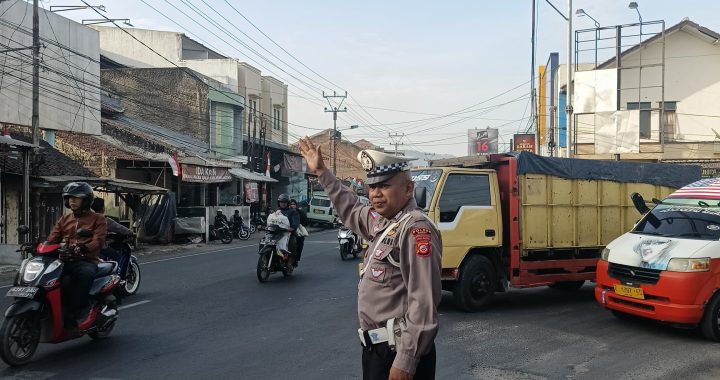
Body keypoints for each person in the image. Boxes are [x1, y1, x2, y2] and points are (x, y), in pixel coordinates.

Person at [299, 138, 442, 380]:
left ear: (408, 188)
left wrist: (406, 361)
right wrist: (322, 172)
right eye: (372, 187)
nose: (375, 194)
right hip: (377, 351)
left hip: (398, 352)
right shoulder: (385, 223)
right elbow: (351, 208)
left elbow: (424, 302)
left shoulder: (415, 229)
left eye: (384, 186)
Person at [46, 182, 107, 332]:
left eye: (77, 198)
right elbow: (52, 239)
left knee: (84, 274)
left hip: (85, 260)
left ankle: (75, 314)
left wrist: (84, 247)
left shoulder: (98, 219)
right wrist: (39, 246)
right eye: (70, 198)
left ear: (86, 200)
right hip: (64, 259)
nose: (72, 201)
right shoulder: (64, 219)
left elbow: (98, 241)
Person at [90, 198, 134, 277]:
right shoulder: (103, 219)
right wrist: (130, 232)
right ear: (103, 208)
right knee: (118, 256)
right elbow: (118, 228)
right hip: (100, 247)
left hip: (89, 246)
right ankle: (117, 276)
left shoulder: (89, 218)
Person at [277, 194, 300, 266]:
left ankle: (291, 260)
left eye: (285, 202)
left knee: (292, 243)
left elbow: (295, 222)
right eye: (281, 202)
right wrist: (262, 225)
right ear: (279, 202)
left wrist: (292, 228)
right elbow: (271, 220)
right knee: (263, 241)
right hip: (276, 233)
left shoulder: (293, 212)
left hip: (288, 233)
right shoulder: (276, 212)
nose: (283, 203)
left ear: (288, 203)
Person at [290, 199, 308, 265]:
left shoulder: (300, 213)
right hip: (284, 230)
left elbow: (305, 222)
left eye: (294, 204)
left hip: (294, 231)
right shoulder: (284, 212)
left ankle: (295, 259)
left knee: (299, 240)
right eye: (291, 204)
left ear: (296, 205)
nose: (292, 206)